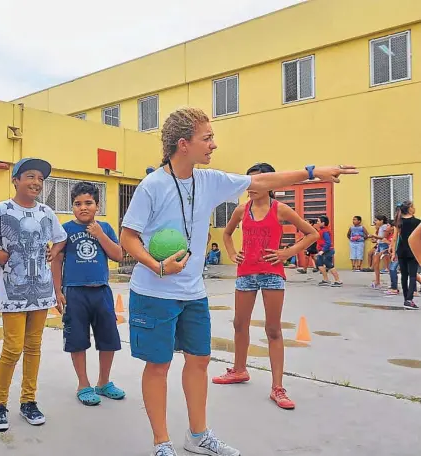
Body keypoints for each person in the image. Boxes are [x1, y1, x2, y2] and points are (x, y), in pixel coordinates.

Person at [118, 107, 357, 456]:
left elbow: (259, 182)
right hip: (154, 291)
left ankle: (198, 436)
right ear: (183, 144)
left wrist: (311, 172)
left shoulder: (209, 181)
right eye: (207, 138)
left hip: (193, 293)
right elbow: (128, 237)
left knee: (199, 360)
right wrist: (157, 266)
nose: (214, 144)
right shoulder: (152, 185)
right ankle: (161, 443)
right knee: (158, 365)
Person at [212, 163, 319, 410]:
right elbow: (227, 234)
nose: (252, 187)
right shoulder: (241, 210)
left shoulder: (281, 209)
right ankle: (239, 370)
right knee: (240, 324)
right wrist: (231, 253)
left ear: (271, 184)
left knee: (273, 329)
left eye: (258, 182)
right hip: (245, 273)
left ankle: (277, 388)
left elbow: (311, 234)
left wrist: (287, 253)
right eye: (249, 182)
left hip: (272, 274)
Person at [0, 158, 67, 431]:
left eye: (40, 179)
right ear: (15, 180)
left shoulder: (46, 212)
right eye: (30, 176)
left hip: (40, 290)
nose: (36, 183)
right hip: (12, 291)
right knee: (12, 347)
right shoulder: (1, 211)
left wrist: (55, 250)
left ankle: (29, 401)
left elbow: (60, 236)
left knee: (34, 347)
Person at [49, 181, 125, 406]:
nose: (83, 207)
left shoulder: (106, 228)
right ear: (72, 206)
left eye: (88, 203)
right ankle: (83, 383)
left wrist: (100, 234)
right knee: (77, 340)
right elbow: (57, 260)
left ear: (97, 205)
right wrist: (57, 290)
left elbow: (118, 255)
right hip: (74, 293)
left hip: (101, 291)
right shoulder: (65, 230)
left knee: (108, 339)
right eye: (77, 203)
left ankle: (104, 381)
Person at [390, 201, 420, 309]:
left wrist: (393, 253)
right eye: (413, 206)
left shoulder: (398, 222)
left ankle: (405, 299)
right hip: (413, 250)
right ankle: (409, 299)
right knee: (412, 275)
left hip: (401, 250)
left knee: (404, 275)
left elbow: (394, 239)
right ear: (410, 208)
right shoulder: (417, 222)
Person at [314, 216, 342, 287]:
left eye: (318, 221)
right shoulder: (320, 230)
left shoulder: (325, 231)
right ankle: (325, 280)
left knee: (329, 265)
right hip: (321, 250)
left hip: (327, 251)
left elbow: (328, 242)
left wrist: (323, 251)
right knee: (319, 264)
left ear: (323, 223)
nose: (317, 223)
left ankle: (337, 280)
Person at [370, 215, 392, 289]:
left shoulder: (385, 226)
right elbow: (379, 238)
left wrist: (374, 236)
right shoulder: (380, 228)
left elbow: (384, 238)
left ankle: (393, 282)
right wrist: (375, 240)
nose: (375, 222)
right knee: (376, 263)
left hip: (384, 246)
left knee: (388, 265)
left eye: (377, 220)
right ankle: (377, 281)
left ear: (381, 220)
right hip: (379, 245)